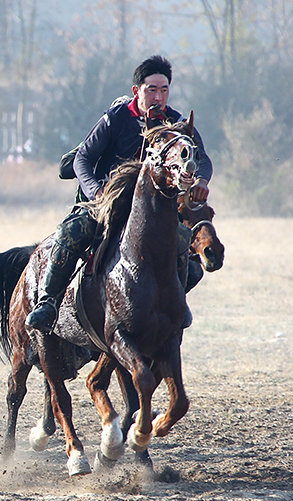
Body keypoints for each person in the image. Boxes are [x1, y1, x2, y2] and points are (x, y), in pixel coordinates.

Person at [25, 54, 214, 334]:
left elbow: (203, 159)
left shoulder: (176, 124)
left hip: (153, 209)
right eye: (152, 89)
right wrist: (97, 192)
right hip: (107, 204)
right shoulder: (116, 119)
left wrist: (201, 179)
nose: (158, 97)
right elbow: (82, 161)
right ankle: (48, 302)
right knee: (71, 232)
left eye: (164, 90)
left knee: (191, 261)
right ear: (137, 91)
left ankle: (173, 304)